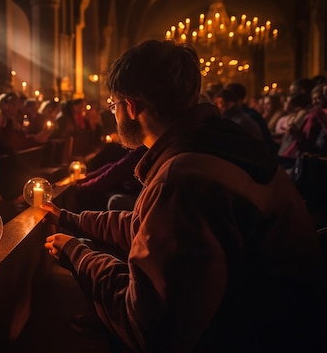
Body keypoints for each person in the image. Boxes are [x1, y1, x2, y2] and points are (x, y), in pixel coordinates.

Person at [41, 40, 326, 352]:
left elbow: (148, 328)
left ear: (131, 107)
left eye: (113, 106)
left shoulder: (184, 177)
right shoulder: (218, 142)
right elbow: (150, 229)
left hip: (262, 337)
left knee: (53, 312)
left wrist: (77, 254)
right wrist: (71, 221)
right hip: (273, 319)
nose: (113, 114)